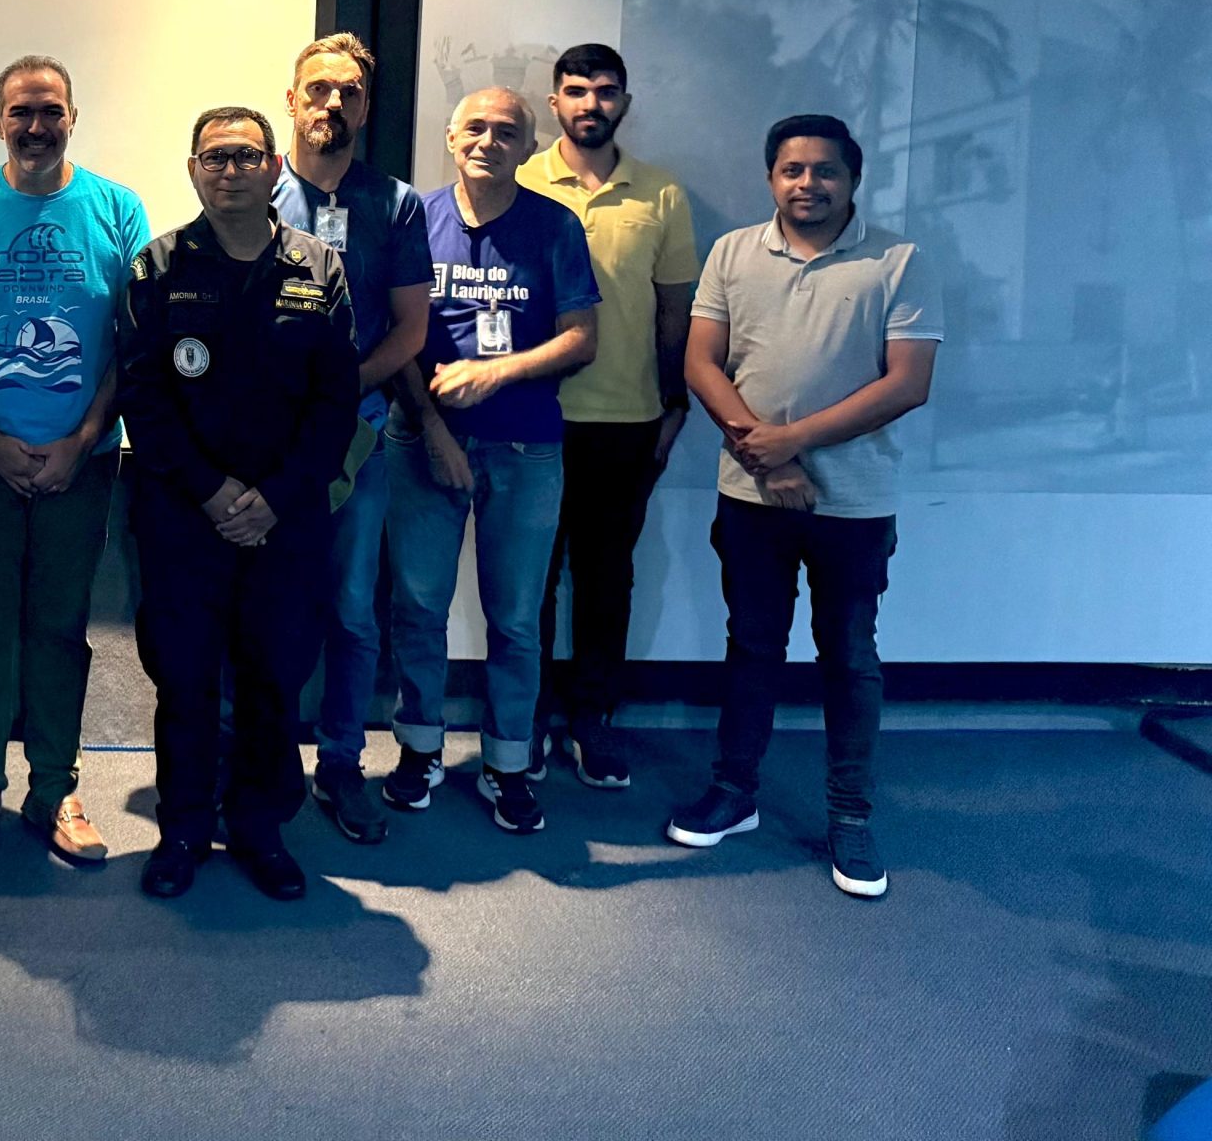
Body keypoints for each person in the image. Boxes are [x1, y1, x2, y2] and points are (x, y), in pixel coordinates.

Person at [666, 114, 940, 899]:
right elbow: (701, 362)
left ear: (853, 180)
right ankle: (735, 791)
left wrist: (790, 442)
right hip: (751, 496)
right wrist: (770, 457)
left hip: (855, 503)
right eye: (792, 170)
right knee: (752, 646)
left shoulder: (899, 260)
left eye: (825, 171)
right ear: (771, 178)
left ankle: (849, 815)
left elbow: (907, 383)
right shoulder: (732, 253)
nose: (807, 184)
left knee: (848, 656)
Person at [117, 106, 366, 901]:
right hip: (183, 516)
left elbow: (336, 401)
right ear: (193, 170)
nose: (231, 171)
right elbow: (143, 396)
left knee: (274, 676)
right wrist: (215, 490)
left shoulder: (319, 267)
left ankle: (261, 828)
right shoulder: (158, 266)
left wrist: (275, 497)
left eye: (247, 156)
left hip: (285, 520)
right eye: (216, 158)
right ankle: (183, 829)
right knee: (184, 679)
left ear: (273, 168)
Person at [0, 55, 151, 867]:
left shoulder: (118, 209)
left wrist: (81, 441)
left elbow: (131, 340)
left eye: (51, 111)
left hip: (83, 461)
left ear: (72, 118)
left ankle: (55, 789)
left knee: (59, 631)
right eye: (21, 112)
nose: (36, 126)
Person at [382, 88, 598, 835]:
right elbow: (395, 338)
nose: (488, 141)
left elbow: (582, 337)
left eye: (507, 132)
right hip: (421, 440)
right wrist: (435, 428)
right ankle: (420, 749)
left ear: (528, 149)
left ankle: (508, 762)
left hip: (525, 446)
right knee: (418, 606)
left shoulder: (554, 225)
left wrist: (496, 373)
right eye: (474, 128)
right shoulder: (415, 219)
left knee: (515, 618)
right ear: (450, 137)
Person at [520, 44, 698, 789]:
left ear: (624, 101)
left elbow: (675, 314)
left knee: (606, 578)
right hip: (531, 416)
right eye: (576, 90)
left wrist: (674, 405)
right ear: (554, 102)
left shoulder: (661, 194)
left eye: (605, 91)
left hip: (627, 419)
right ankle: (524, 719)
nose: (590, 103)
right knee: (528, 580)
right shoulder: (519, 179)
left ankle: (592, 719)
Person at [272, 31, 431, 843]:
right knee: (261, 604)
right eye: (319, 89)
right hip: (263, 443)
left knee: (352, 611)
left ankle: (340, 763)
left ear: (366, 109)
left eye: (350, 92)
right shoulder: (253, 189)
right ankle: (258, 760)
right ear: (291, 100)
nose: (333, 103)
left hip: (355, 442)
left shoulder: (396, 205)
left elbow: (410, 330)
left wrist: (340, 396)